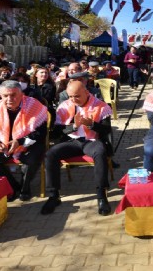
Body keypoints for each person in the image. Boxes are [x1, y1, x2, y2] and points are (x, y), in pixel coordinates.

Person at [42, 80, 113, 216]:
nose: (74, 100)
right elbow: (56, 132)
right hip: (72, 141)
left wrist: (92, 124)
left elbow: (106, 130)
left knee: (100, 152)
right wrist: (74, 126)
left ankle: (101, 195)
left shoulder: (100, 106)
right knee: (50, 154)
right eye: (70, 96)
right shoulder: (64, 106)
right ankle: (53, 196)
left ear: (86, 92)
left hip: (92, 140)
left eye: (77, 96)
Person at [0, 81, 48, 201]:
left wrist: (20, 141)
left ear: (21, 94)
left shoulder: (34, 106)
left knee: (30, 160)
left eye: (13, 95)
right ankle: (13, 186)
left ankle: (25, 188)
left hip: (30, 143)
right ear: (0, 96)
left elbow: (40, 134)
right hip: (5, 145)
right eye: (5, 95)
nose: (9, 98)